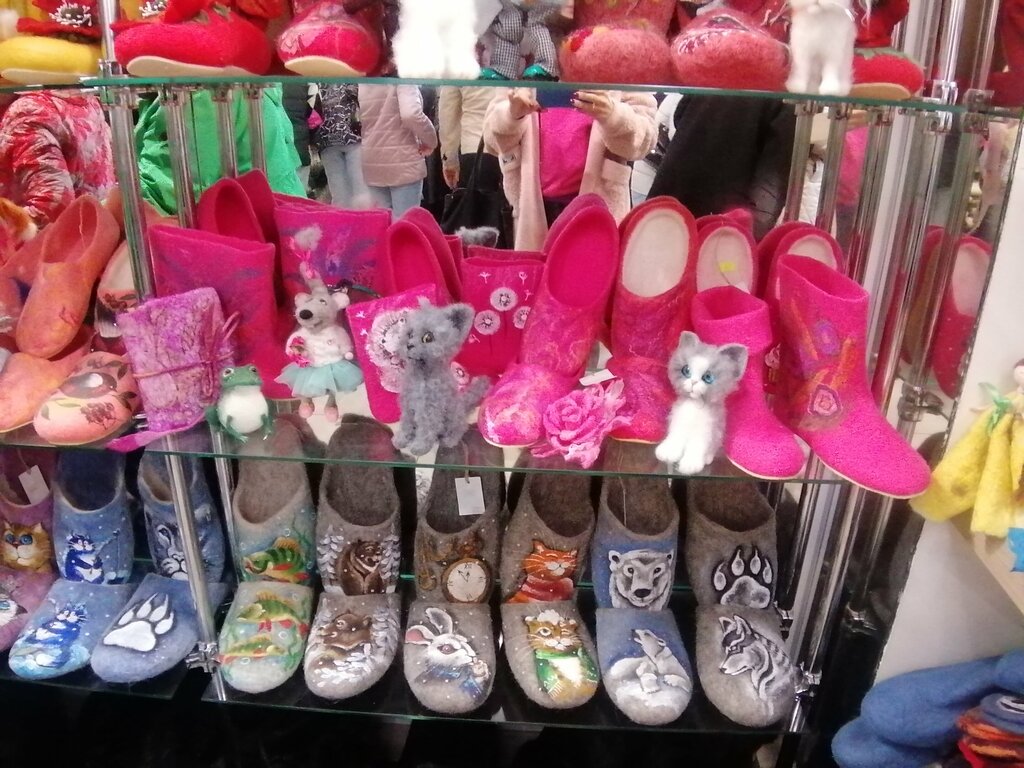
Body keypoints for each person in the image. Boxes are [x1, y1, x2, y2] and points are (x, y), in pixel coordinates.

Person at [483, 87, 656, 250]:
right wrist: (511, 116)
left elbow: (645, 141)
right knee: (535, 269)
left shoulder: (622, 69)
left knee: (593, 268)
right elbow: (491, 141)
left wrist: (614, 116)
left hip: (600, 206)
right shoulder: (521, 68)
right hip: (531, 208)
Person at [136, 86, 304, 216]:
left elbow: (179, 189)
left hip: (251, 223)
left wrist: (126, 195)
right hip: (279, 214)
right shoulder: (241, 83)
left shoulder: (203, 94)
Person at [648, 95, 795, 240]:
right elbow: (770, 184)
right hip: (722, 219)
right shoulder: (787, 96)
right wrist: (751, 239)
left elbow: (679, 113)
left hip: (670, 192)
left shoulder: (717, 79)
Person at [0, 90, 115, 227]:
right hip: (96, 231)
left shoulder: (28, 111)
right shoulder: (81, 98)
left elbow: (51, 209)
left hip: (65, 236)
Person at [358, 84, 437, 217]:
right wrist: (430, 140)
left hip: (372, 159)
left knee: (382, 222)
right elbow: (411, 114)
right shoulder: (402, 78)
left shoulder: (365, 80)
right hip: (403, 159)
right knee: (405, 223)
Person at [316, 84, 372, 209]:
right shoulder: (351, 78)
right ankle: (360, 219)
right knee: (360, 191)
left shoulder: (317, 79)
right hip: (351, 136)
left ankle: (346, 219)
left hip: (329, 138)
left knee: (342, 195)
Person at [438, 85, 501, 193]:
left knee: (477, 202)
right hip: (514, 149)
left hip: (474, 146)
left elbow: (448, 116)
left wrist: (449, 161)